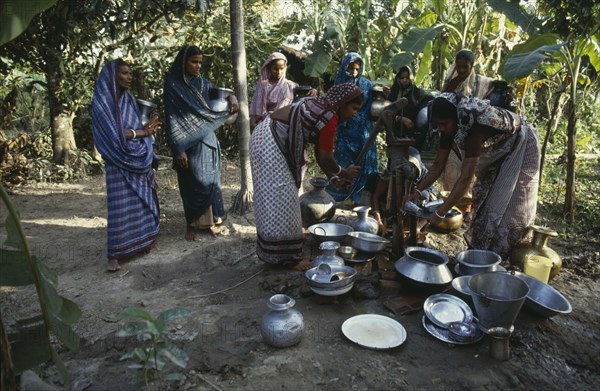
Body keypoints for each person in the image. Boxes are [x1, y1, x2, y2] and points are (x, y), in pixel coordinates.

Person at [405, 93, 540, 259]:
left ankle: (505, 252)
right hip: (499, 152)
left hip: (521, 145)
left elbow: (466, 178)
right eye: (438, 124)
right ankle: (482, 252)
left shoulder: (474, 128)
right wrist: (417, 191)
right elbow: (438, 165)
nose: (442, 129)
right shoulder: (451, 127)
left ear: (456, 119)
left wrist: (440, 213)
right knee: (484, 199)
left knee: (506, 204)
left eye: (445, 124)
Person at [250, 83, 363, 270]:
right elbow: (326, 158)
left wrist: (335, 178)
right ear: (342, 103)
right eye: (354, 108)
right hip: (270, 142)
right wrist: (344, 172)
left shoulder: (323, 109)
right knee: (283, 197)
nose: (355, 113)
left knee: (273, 197)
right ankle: (289, 258)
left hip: (264, 137)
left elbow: (321, 156)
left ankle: (274, 252)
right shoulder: (330, 116)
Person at [91, 59, 161, 272]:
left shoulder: (129, 99)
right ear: (113, 76)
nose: (129, 77)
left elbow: (132, 126)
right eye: (124, 73)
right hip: (117, 159)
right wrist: (143, 133)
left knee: (140, 201)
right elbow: (114, 135)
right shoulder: (102, 101)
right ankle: (115, 254)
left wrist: (149, 123)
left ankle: (143, 241)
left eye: (130, 73)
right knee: (119, 207)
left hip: (137, 155)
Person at [163, 45, 239, 241]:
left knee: (210, 181)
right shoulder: (172, 85)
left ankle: (211, 222)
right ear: (183, 62)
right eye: (193, 62)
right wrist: (178, 149)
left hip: (207, 140)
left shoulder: (203, 84)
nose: (198, 66)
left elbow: (219, 92)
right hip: (187, 144)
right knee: (190, 184)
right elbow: (172, 119)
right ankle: (191, 224)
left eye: (200, 63)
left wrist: (232, 96)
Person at [441, 49, 495, 204]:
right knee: (453, 171)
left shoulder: (482, 84)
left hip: (474, 137)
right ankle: (452, 207)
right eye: (459, 67)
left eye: (466, 67)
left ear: (472, 66)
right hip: (454, 137)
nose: (462, 70)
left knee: (470, 173)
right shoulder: (451, 84)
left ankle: (468, 209)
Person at [325, 52, 378, 203]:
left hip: (363, 131)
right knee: (344, 161)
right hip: (345, 131)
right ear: (345, 67)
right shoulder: (339, 85)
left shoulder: (367, 85)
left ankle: (361, 196)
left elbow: (376, 99)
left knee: (364, 164)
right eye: (351, 68)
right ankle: (340, 191)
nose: (354, 72)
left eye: (357, 69)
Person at [249, 52, 315, 129]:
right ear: (269, 67)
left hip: (280, 124)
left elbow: (303, 91)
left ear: (285, 68)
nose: (279, 72)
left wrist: (313, 90)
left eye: (281, 69)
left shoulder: (289, 85)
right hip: (260, 123)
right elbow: (256, 103)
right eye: (275, 69)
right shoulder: (262, 85)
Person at [388, 65, 434, 151]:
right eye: (402, 78)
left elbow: (428, 103)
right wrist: (401, 119)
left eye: (407, 78)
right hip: (394, 133)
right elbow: (386, 112)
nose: (404, 80)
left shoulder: (417, 94)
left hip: (411, 134)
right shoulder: (393, 93)